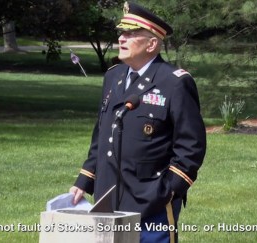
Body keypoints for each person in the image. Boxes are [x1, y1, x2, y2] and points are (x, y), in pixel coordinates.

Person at [69, 2, 206, 242]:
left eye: (131, 34)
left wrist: (166, 190)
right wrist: (85, 180)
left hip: (151, 204)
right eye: (122, 33)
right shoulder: (114, 76)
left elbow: (191, 147)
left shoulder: (174, 83)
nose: (122, 38)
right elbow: (102, 133)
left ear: (152, 44)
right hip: (108, 198)